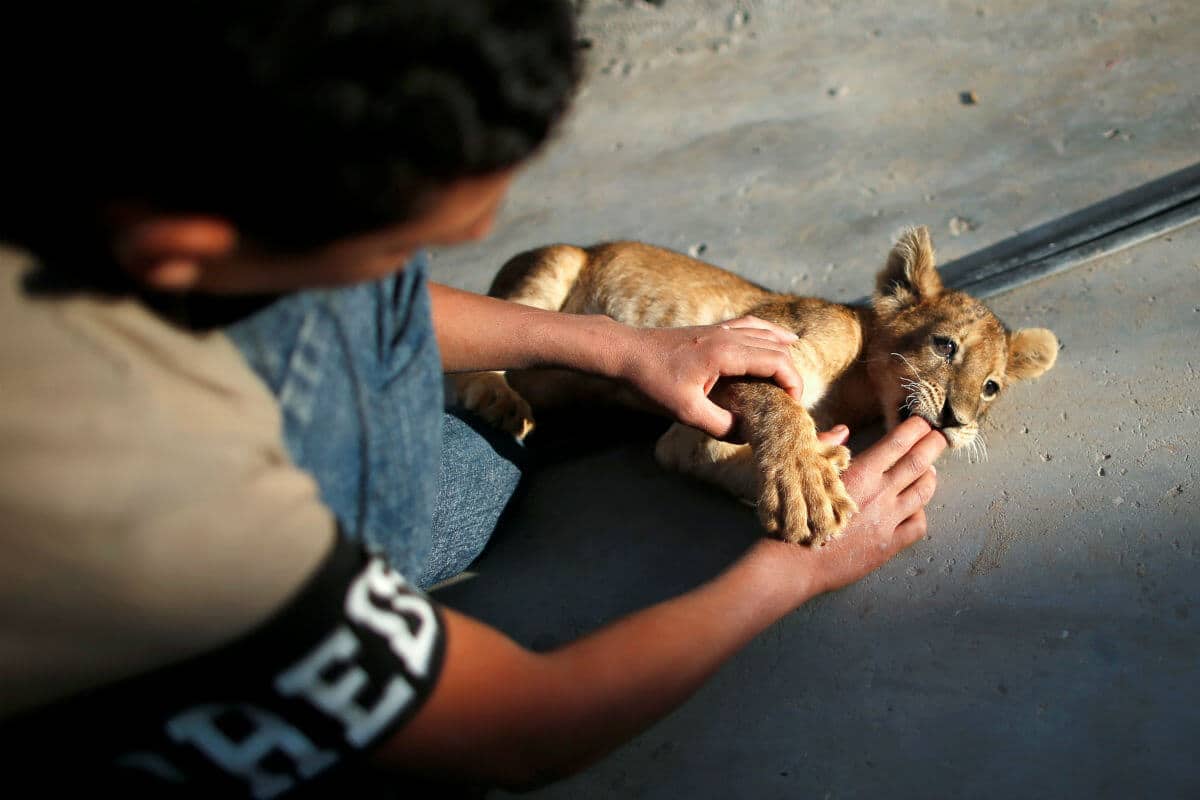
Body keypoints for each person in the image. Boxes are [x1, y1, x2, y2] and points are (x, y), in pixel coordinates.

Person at [0, 1, 945, 795]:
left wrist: (617, 346)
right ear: (182, 243)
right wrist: (799, 569)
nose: (407, 277)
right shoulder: (145, 478)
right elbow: (518, 727)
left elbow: (371, 302)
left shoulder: (133, 147)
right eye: (387, 251)